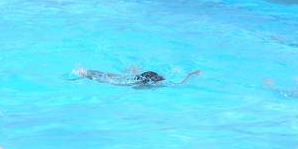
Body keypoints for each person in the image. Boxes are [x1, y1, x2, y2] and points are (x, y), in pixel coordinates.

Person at [72, 67, 201, 87]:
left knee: (112, 75)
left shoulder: (140, 78)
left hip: (138, 76)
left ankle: (86, 70)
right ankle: (84, 74)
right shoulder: (145, 84)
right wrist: (191, 74)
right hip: (135, 80)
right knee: (109, 81)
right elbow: (179, 85)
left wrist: (191, 74)